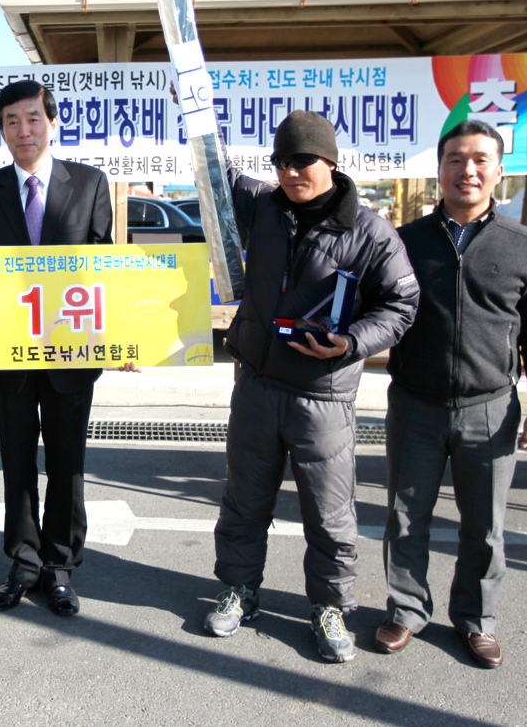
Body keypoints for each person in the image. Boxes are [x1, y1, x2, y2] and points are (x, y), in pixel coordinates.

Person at [204, 110, 419, 663]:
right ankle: (239, 588)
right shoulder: (262, 207)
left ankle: (330, 606)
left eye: (302, 160)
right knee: (244, 500)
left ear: (330, 161)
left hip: (323, 395)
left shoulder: (370, 231)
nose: (291, 172)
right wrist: (194, 102)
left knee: (329, 512)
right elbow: (215, 170)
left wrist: (349, 344)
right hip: (255, 383)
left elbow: (400, 304)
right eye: (281, 162)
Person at [378, 119, 527, 669]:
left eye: (480, 159)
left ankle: (477, 620)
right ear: (439, 169)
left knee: (484, 525)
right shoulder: (405, 242)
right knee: (407, 518)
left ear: (500, 170)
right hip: (415, 403)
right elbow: (379, 310)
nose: (468, 170)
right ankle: (406, 611)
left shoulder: (525, 245)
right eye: (456, 159)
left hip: (491, 408)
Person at [0, 80, 135, 617]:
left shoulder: (89, 184)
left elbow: (105, 269)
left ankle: (59, 566)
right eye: (11, 121)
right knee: (16, 463)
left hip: (71, 355)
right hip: (8, 357)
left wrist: (120, 340)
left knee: (67, 464)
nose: (23, 130)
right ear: (2, 130)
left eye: (32, 118)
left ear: (51, 123)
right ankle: (23, 563)